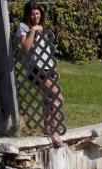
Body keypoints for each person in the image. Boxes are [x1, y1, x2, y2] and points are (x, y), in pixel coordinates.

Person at [16, 1, 64, 146]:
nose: (36, 16)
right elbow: (26, 48)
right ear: (28, 15)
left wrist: (52, 64)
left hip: (48, 69)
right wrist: (33, 30)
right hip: (36, 70)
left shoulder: (42, 29)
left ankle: (47, 128)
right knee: (58, 97)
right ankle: (53, 130)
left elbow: (43, 51)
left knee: (48, 99)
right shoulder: (23, 27)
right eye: (32, 13)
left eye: (37, 13)